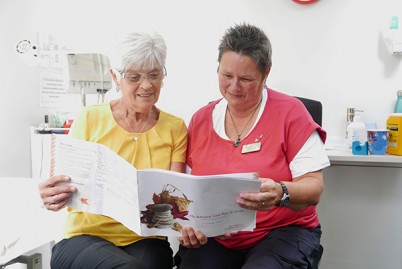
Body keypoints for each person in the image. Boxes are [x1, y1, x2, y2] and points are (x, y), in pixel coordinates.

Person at [175, 23, 330, 269]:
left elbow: (314, 188)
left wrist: (281, 192)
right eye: (227, 76)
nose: (234, 87)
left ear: (265, 73)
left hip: (281, 233)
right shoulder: (200, 119)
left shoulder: (291, 113)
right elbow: (189, 193)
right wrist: (193, 227)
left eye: (246, 79)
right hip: (218, 239)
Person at [38, 32, 187, 269]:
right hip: (83, 238)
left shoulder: (175, 128)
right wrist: (51, 194)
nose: (146, 85)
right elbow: (62, 184)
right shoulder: (90, 118)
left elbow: (176, 199)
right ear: (115, 77)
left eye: (154, 75)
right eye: (135, 76)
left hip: (145, 239)